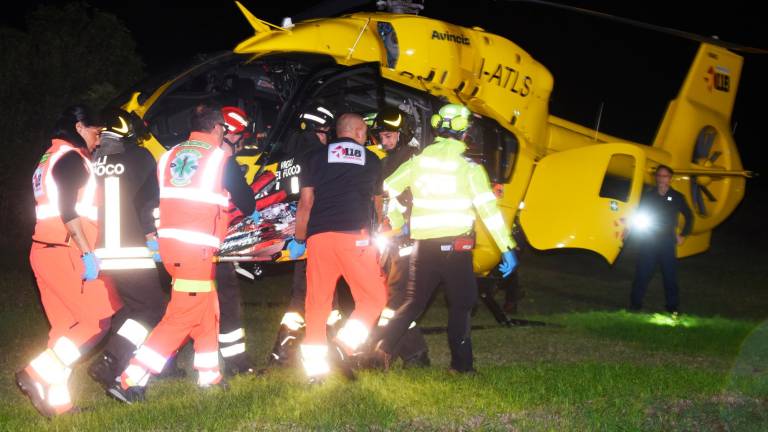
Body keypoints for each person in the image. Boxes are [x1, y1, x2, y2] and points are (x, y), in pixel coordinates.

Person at [115, 103, 259, 402]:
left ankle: (209, 376)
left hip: (171, 248)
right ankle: (130, 379)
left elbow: (144, 199)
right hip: (198, 249)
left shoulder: (168, 156)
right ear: (218, 128)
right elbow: (247, 202)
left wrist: (150, 232)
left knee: (208, 311)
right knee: (181, 317)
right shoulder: (220, 160)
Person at [373, 103, 517, 373]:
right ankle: (462, 367)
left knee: (413, 304)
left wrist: (399, 220)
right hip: (455, 249)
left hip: (422, 247)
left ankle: (377, 351)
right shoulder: (469, 169)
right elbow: (488, 211)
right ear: (465, 133)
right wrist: (507, 247)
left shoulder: (419, 162)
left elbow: (388, 187)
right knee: (462, 304)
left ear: (438, 128)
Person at [17, 105, 121, 417]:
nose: (99, 140)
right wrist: (88, 252)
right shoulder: (71, 159)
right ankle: (36, 373)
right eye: (96, 132)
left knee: (64, 328)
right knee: (97, 322)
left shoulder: (48, 158)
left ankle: (58, 405)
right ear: (79, 127)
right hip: (67, 251)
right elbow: (68, 210)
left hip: (43, 251)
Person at [286, 113, 387, 383]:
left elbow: (306, 202)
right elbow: (377, 205)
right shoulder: (372, 160)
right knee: (374, 298)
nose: (366, 137)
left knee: (316, 304)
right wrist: (379, 234)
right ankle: (343, 347)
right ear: (355, 132)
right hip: (355, 237)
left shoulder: (315, 157)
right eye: (364, 132)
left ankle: (315, 373)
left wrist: (298, 239)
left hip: (319, 239)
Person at [86, 108, 169, 395]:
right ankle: (111, 361)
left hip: (99, 248)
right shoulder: (140, 157)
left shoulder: (91, 161)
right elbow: (153, 191)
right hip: (129, 246)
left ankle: (120, 367)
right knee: (152, 307)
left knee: (130, 308)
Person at [266, 104, 341, 368]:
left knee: (315, 293)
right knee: (310, 294)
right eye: (325, 131)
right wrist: (301, 239)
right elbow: (309, 202)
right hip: (315, 233)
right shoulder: (318, 157)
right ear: (317, 130)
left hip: (300, 234)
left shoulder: (289, 156)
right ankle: (284, 352)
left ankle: (334, 350)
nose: (327, 136)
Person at [367, 106, 430, 368]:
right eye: (381, 136)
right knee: (396, 297)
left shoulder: (412, 160)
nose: (384, 140)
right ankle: (415, 353)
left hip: (408, 239)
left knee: (395, 296)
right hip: (391, 238)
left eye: (390, 136)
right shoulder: (386, 161)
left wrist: (406, 229)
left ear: (402, 135)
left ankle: (385, 350)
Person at [215, 105, 260, 376]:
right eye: (241, 138)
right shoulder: (223, 162)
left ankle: (169, 361)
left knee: (190, 304)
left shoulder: (187, 155)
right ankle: (236, 362)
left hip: (181, 244)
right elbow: (245, 200)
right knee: (227, 298)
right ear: (229, 134)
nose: (242, 144)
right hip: (211, 243)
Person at [629, 164, 693, 314]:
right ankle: (635, 305)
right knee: (642, 273)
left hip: (667, 242)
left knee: (670, 276)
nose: (661, 179)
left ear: (670, 179)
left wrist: (683, 234)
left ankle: (672, 307)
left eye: (665, 176)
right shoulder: (648, 195)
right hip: (649, 241)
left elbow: (689, 216)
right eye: (659, 175)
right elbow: (639, 212)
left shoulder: (677, 197)